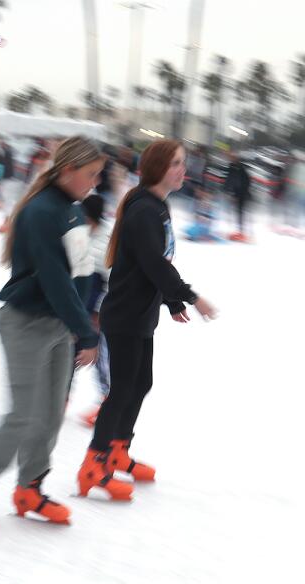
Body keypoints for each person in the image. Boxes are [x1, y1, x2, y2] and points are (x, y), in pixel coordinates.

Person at [0, 138, 104, 534]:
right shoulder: (41, 212)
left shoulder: (71, 209)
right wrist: (85, 331)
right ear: (68, 171)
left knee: (51, 412)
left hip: (59, 325)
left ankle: (30, 489)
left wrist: (84, 319)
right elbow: (54, 280)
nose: (95, 183)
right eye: (90, 174)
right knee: (23, 414)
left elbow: (83, 271)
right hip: (26, 323)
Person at [78, 139, 219, 501]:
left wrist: (171, 301)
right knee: (122, 389)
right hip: (125, 315)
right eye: (175, 163)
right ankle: (94, 463)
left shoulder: (157, 207)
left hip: (140, 314)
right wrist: (190, 296)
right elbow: (153, 263)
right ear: (157, 168)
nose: (182, 170)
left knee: (141, 384)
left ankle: (118, 450)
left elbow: (157, 263)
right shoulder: (144, 210)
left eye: (183, 163)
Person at [78, 193, 113, 427]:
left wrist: (99, 312)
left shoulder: (106, 242)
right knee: (71, 352)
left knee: (100, 357)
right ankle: (61, 396)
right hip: (80, 305)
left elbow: (112, 282)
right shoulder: (82, 233)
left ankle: (107, 401)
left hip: (98, 311)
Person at [224, 151, 253, 241]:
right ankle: (237, 230)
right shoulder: (232, 167)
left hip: (241, 193)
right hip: (236, 193)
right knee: (235, 212)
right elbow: (229, 180)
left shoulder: (240, 168)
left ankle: (242, 231)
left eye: (232, 157)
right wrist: (227, 190)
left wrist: (235, 194)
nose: (231, 159)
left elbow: (243, 181)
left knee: (240, 213)